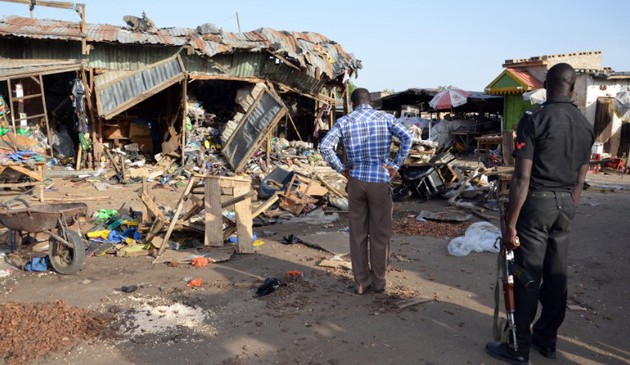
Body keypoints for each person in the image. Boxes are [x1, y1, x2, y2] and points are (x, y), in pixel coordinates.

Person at [485, 63, 594, 364]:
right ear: (572, 87)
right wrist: (570, 204)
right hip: (565, 206)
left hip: (538, 205)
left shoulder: (535, 119)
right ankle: (547, 341)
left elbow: (521, 178)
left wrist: (511, 224)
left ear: (547, 84)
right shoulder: (585, 126)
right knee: (556, 276)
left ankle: (518, 348)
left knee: (527, 277)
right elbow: (580, 178)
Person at [319, 88, 412, 294]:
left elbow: (325, 146)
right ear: (371, 102)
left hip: (356, 180)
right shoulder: (385, 118)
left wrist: (341, 168)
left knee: (358, 234)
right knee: (380, 234)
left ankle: (361, 283)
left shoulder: (345, 121)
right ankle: (380, 282)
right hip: (380, 180)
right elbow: (408, 138)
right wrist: (395, 165)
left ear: (352, 104)